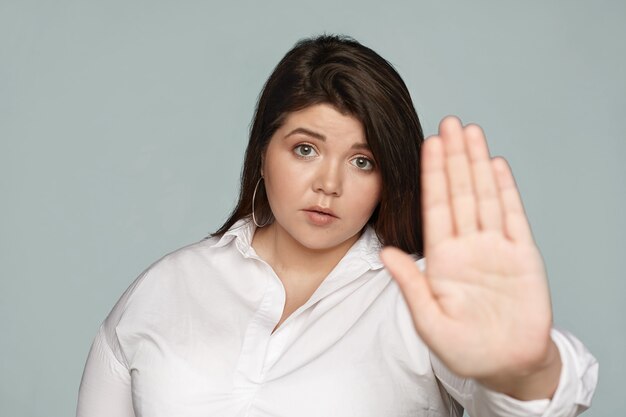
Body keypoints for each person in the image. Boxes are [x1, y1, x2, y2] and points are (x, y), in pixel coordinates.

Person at [76, 34, 598, 417]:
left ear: (388, 176)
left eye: (362, 161)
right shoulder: (165, 288)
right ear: (262, 155)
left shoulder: (423, 299)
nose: (329, 183)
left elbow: (526, 407)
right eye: (306, 149)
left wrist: (528, 371)